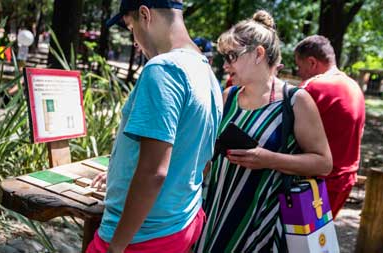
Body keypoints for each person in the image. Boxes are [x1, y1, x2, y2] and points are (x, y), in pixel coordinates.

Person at [87, 1, 223, 253]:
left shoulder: (163, 69)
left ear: (144, 14)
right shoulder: (206, 72)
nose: (135, 41)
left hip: (143, 235)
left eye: (130, 28)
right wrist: (121, 175)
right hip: (182, 220)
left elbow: (153, 173)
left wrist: (116, 247)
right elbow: (200, 159)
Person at [195, 10, 332, 252]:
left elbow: (323, 164)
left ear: (258, 53)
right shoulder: (229, 97)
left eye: (232, 56)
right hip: (216, 213)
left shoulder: (296, 101)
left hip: (263, 223)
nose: (225, 65)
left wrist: (269, 159)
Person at [294, 35, 366, 218]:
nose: (298, 72)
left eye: (299, 66)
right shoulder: (353, 86)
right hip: (345, 179)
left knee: (294, 241)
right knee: (316, 240)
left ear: (312, 62)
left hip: (316, 182)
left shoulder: (313, 87)